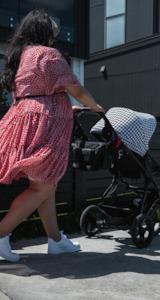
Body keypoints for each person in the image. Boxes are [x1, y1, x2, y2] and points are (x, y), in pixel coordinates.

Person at [0, 9, 104, 262]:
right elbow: (75, 88)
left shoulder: (20, 56)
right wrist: (94, 106)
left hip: (24, 119)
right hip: (46, 125)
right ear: (45, 31)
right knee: (43, 187)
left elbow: (36, 95)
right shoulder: (49, 54)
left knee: (46, 186)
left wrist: (69, 109)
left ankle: (56, 240)